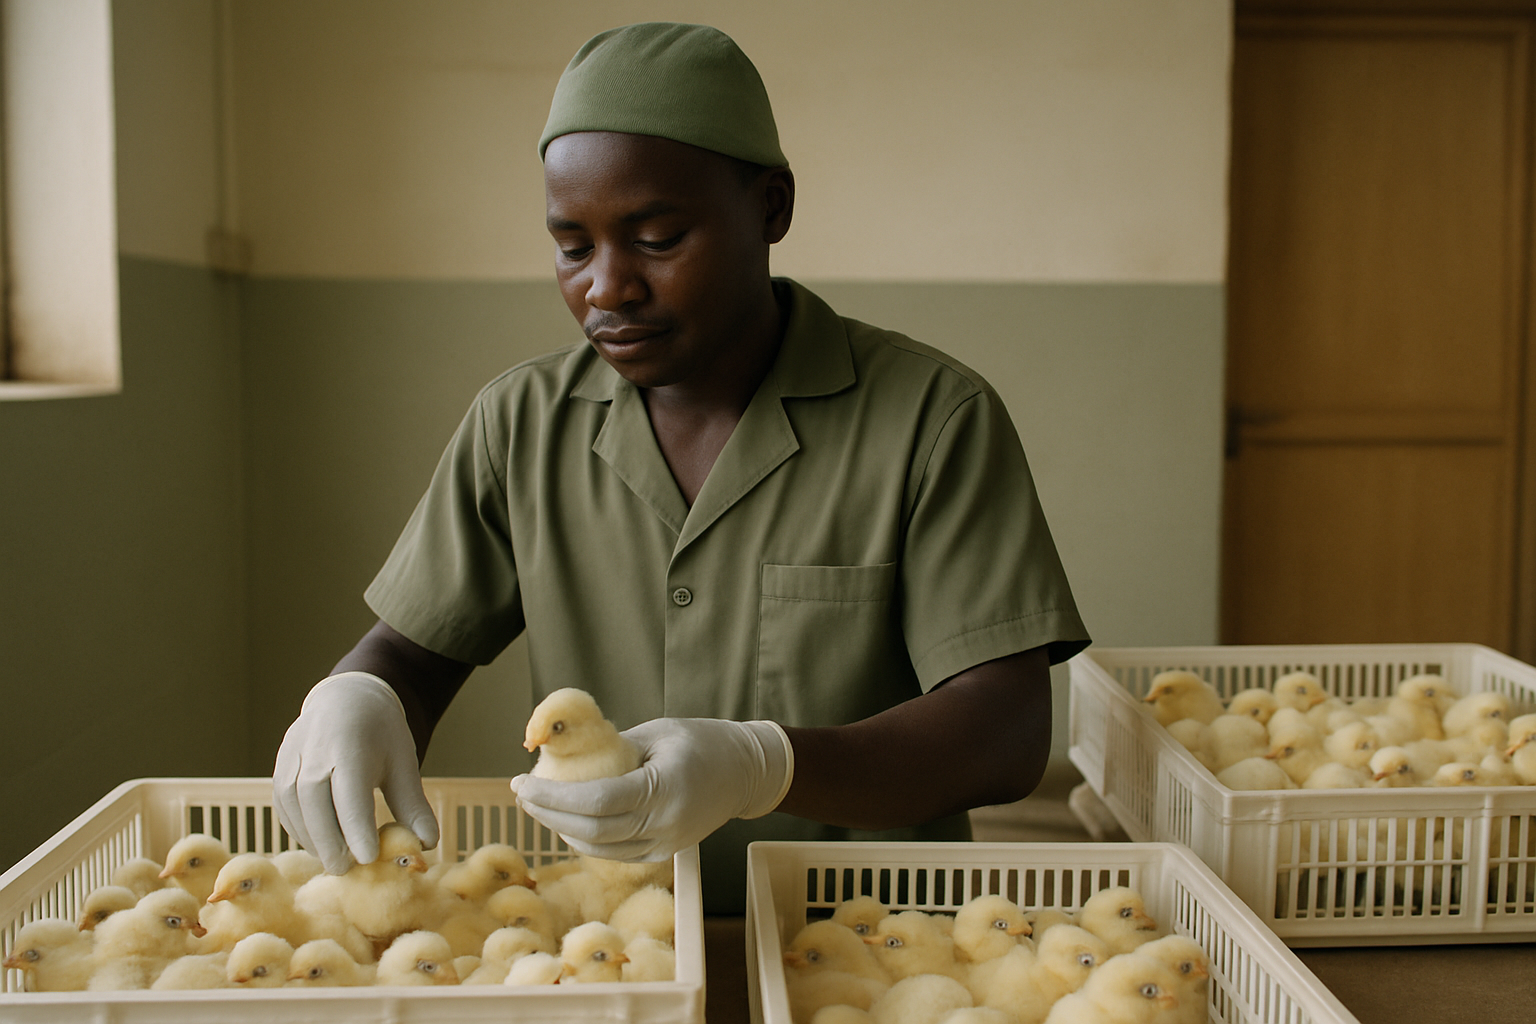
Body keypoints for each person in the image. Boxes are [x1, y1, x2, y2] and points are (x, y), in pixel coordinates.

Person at [273, 21, 1090, 913]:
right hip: (620, 941)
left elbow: (1005, 731)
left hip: (867, 938)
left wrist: (764, 766)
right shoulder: (521, 424)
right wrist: (359, 693)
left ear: (771, 208)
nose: (608, 287)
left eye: (658, 238)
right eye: (573, 246)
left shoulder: (930, 421)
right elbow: (414, 653)